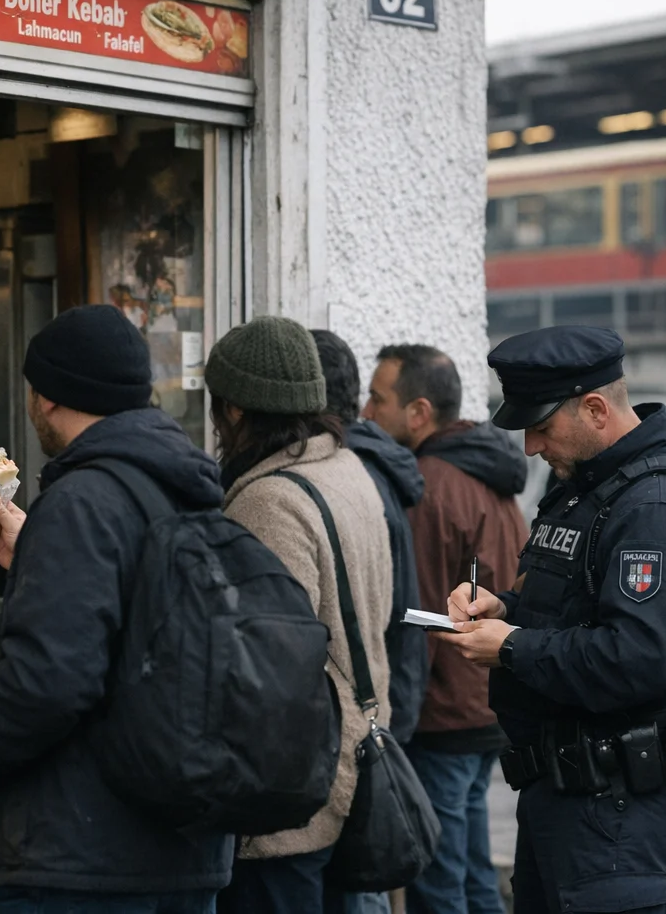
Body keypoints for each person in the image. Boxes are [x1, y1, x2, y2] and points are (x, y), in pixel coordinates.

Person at [0, 304, 233, 914]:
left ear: (48, 397)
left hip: (85, 861)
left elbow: (50, 676)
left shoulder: (80, 501)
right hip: (187, 850)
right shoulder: (185, 489)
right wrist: (35, 554)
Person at [442, 325, 666, 914]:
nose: (530, 447)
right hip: (563, 800)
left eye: (541, 428)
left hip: (618, 820)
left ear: (595, 409)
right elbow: (575, 604)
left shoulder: (657, 507)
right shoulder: (585, 487)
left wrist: (511, 646)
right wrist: (504, 609)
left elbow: (641, 660)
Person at [206, 316, 394, 914]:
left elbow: (268, 668)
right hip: (350, 754)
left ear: (234, 409)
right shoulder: (343, 468)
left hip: (289, 791)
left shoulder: (269, 499)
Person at [362, 344, 526, 914]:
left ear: (419, 412)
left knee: (439, 885)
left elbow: (420, 614)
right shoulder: (491, 473)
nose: (365, 412)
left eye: (377, 398)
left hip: (444, 716)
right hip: (486, 704)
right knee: (475, 875)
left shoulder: (428, 485)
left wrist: (396, 720)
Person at [311, 330, 427, 746]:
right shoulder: (370, 468)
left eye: (378, 398)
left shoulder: (347, 476)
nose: (368, 409)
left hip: (369, 721)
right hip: (388, 707)